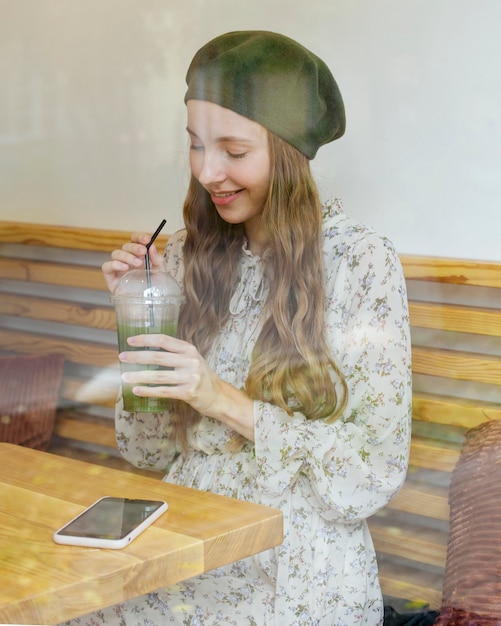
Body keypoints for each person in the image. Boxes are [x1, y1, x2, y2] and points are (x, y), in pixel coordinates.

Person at [67, 30, 412, 626]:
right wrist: (140, 318)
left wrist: (221, 399)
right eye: (196, 145)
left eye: (232, 149)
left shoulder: (362, 263)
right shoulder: (181, 259)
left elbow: (371, 473)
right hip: (181, 547)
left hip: (296, 568)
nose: (206, 171)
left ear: (288, 151)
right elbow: (145, 452)